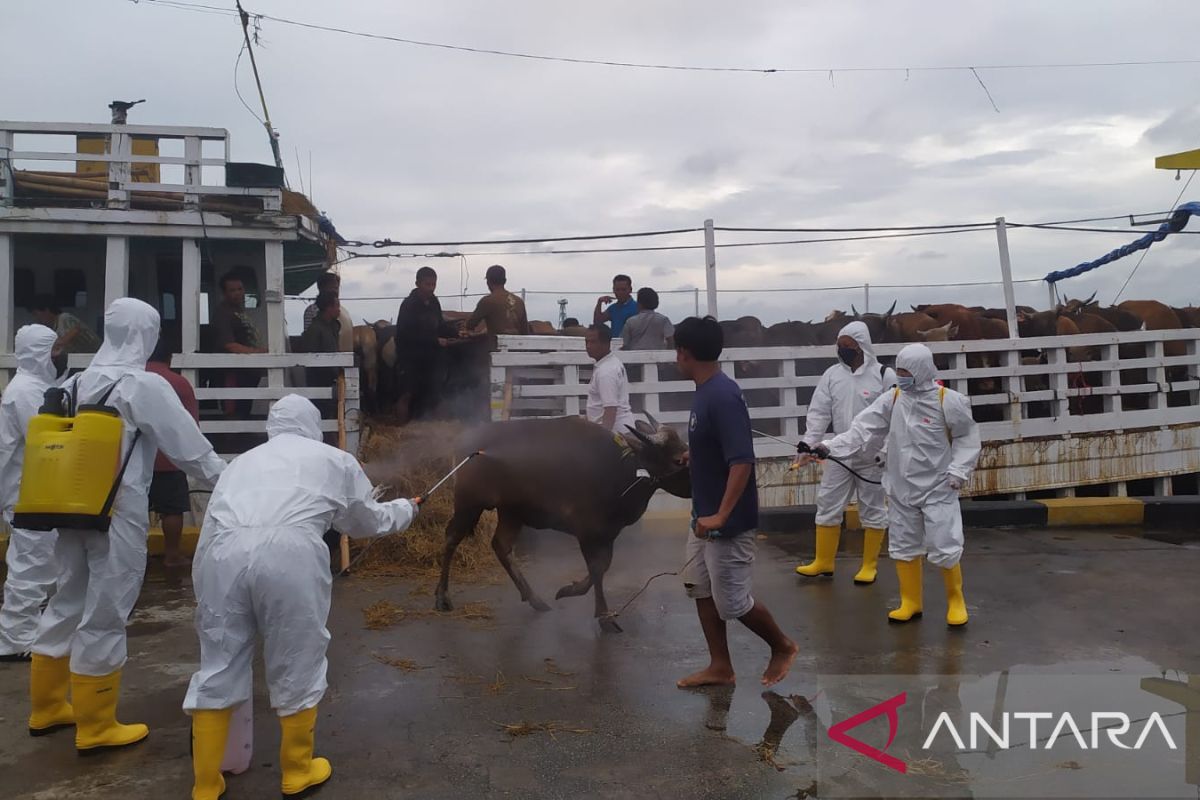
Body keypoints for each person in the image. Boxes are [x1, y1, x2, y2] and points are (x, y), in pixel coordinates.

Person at [183, 394, 417, 800]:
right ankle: (297, 771)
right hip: (290, 553)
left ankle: (205, 784)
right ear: (312, 425)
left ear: (272, 426)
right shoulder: (334, 459)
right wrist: (405, 511)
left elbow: (208, 533)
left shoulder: (240, 463)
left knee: (219, 663)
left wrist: (203, 593)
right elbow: (364, 521)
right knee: (297, 657)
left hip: (224, 555)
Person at [29, 298, 226, 752]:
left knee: (66, 598)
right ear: (146, 335)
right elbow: (192, 451)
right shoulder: (142, 385)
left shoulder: (77, 381)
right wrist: (236, 480)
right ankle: (96, 725)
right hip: (116, 511)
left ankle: (47, 707)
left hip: (68, 505)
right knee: (106, 610)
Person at [813, 343, 981, 626]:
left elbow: (967, 437)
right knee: (904, 544)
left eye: (906, 371)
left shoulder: (948, 400)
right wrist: (829, 446)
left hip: (938, 487)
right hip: (901, 487)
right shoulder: (893, 399)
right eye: (899, 370)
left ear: (921, 370)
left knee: (944, 543)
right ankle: (911, 602)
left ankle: (956, 600)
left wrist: (959, 470)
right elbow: (861, 428)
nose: (901, 376)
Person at [673, 316, 798, 689]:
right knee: (699, 586)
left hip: (725, 520)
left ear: (685, 353)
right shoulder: (706, 390)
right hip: (705, 514)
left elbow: (742, 460)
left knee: (733, 602)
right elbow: (721, 445)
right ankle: (720, 667)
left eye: (676, 351)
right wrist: (696, 455)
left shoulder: (721, 396)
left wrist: (722, 515)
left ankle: (782, 646)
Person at [794, 321, 895, 584]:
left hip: (871, 455)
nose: (842, 351)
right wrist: (809, 444)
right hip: (837, 451)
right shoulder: (831, 375)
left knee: (872, 509)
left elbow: (896, 418)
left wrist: (884, 450)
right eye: (840, 346)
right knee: (827, 503)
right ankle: (823, 562)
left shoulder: (884, 376)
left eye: (848, 346)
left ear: (862, 346)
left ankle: (869, 565)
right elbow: (818, 413)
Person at [0, 325, 60, 662]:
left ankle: (29, 631)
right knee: (30, 567)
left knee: (43, 564)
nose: (58, 355)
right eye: (53, 349)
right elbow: (48, 437)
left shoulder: (35, 387)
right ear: (38, 352)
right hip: (28, 493)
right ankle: (15, 637)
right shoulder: (26, 391)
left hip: (35, 491)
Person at [146, 338, 202, 568]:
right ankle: (172, 555)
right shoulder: (178, 383)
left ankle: (132, 556)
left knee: (133, 510)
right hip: (168, 458)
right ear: (170, 357)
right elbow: (191, 424)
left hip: (134, 459)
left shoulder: (130, 379)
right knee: (172, 510)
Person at [395, 267, 459, 420]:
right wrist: (435, 340)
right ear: (418, 283)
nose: (431, 288)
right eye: (427, 284)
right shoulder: (408, 305)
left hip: (432, 357)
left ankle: (437, 429)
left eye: (433, 284)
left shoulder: (434, 302)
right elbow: (405, 334)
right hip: (410, 357)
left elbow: (440, 325)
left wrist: (456, 333)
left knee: (436, 393)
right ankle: (399, 430)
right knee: (406, 394)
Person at [211, 270, 266, 420]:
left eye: (240, 289)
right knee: (233, 410)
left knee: (245, 408)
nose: (237, 293)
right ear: (224, 293)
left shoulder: (239, 311)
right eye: (232, 290)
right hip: (233, 371)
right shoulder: (222, 313)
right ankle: (229, 443)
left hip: (247, 371)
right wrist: (258, 352)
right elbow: (230, 345)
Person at [584, 324, 637, 433]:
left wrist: (603, 440)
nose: (588, 346)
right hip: (621, 429)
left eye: (593, 342)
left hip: (615, 434)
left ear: (606, 344)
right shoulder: (612, 363)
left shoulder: (606, 371)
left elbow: (610, 410)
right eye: (587, 342)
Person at [298, 292, 342, 419]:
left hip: (330, 379)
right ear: (328, 308)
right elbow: (310, 354)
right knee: (322, 412)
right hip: (320, 380)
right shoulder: (315, 329)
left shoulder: (331, 327)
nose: (339, 310)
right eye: (337, 306)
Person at [466, 265, 530, 349]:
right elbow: (525, 331)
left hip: (496, 352)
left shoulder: (487, 301)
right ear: (505, 281)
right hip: (517, 350)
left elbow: (470, 325)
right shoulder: (519, 301)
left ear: (488, 282)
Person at [30, 294, 101, 357]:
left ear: (46, 310)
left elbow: (75, 331)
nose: (36, 318)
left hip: (95, 356)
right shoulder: (55, 327)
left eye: (36, 314)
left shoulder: (64, 318)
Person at [303, 271, 354, 353]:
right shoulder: (312, 310)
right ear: (322, 288)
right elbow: (310, 341)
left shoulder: (343, 311)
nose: (336, 292)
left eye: (337, 288)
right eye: (332, 288)